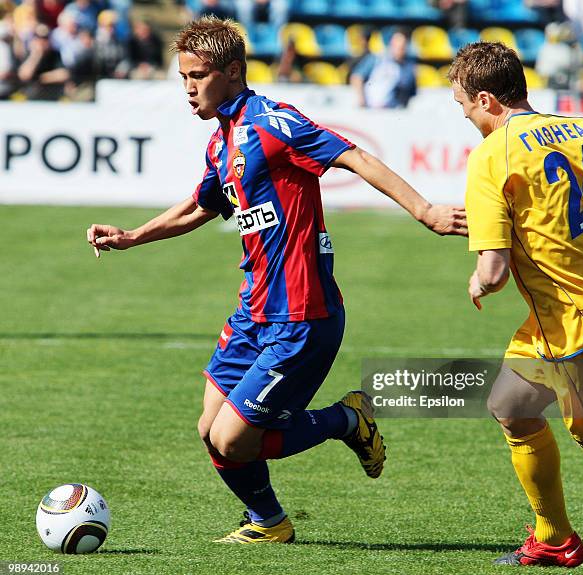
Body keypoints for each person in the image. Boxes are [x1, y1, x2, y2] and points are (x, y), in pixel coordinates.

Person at [86, 16, 467, 544]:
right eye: (182, 77)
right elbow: (201, 206)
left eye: (197, 75)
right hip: (254, 310)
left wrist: (425, 210)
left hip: (302, 315)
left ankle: (347, 420)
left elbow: (353, 155)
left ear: (233, 71)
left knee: (234, 441)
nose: (189, 88)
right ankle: (270, 523)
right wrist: (132, 236)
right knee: (209, 430)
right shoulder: (222, 141)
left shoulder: (273, 121)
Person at [448, 41, 583, 568]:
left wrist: (479, 279)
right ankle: (555, 537)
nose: (468, 119)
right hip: (567, 317)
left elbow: (493, 272)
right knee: (511, 406)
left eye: (466, 107)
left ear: (488, 99)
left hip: (580, 329)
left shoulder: (492, 155)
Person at [350, 28, 416, 109]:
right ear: (391, 43)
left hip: (391, 111)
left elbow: (409, 92)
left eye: (402, 46)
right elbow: (356, 77)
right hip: (370, 109)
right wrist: (362, 101)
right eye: (396, 45)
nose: (399, 49)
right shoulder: (376, 58)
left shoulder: (409, 67)